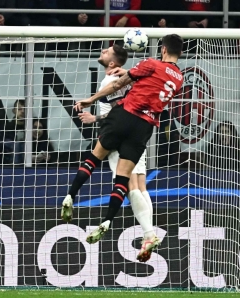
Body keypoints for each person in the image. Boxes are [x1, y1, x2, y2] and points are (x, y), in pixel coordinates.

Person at [62, 34, 184, 263]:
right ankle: (147, 234)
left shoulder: (150, 63)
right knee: (136, 184)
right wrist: (130, 73)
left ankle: (71, 196)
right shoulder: (179, 79)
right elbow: (151, 84)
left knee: (118, 175)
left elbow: (120, 87)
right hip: (145, 128)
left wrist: (91, 102)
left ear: (164, 49)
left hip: (125, 118)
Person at [76, 44, 156, 249]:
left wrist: (95, 118)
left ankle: (149, 234)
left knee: (130, 186)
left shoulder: (111, 80)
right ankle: (150, 233)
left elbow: (118, 112)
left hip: (120, 137)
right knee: (140, 184)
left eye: (106, 52)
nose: (102, 51)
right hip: (138, 131)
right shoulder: (128, 78)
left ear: (112, 62)